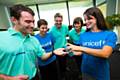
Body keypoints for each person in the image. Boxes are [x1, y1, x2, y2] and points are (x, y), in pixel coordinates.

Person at [0, 4, 67, 80]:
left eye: (33, 21)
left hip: (34, 77)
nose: (32, 25)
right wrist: (8, 78)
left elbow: (42, 56)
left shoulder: (34, 40)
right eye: (28, 21)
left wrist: (53, 52)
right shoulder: (1, 38)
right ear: (14, 20)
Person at [67, 7, 117, 80]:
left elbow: (105, 54)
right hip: (86, 71)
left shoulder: (110, 34)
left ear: (98, 18)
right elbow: (81, 53)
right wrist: (69, 52)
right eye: (85, 19)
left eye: (89, 18)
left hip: (101, 73)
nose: (86, 22)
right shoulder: (83, 35)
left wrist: (78, 47)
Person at [49, 12, 69, 80]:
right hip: (57, 49)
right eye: (57, 21)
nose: (58, 22)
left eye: (60, 21)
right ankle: (62, 75)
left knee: (65, 60)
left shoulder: (65, 27)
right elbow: (51, 42)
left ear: (62, 20)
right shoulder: (51, 30)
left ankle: (65, 68)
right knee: (59, 63)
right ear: (54, 20)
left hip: (65, 47)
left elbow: (66, 35)